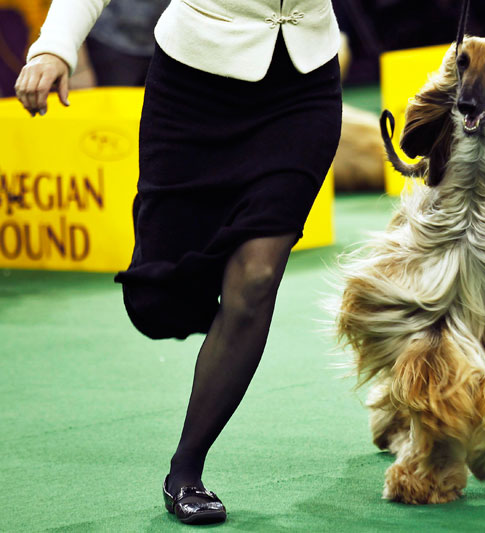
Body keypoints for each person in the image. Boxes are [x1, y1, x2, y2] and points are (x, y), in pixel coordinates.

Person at [15, 0, 341, 525]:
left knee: (256, 278)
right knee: (159, 302)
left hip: (302, 88)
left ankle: (186, 468)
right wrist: (56, 46)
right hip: (194, 87)